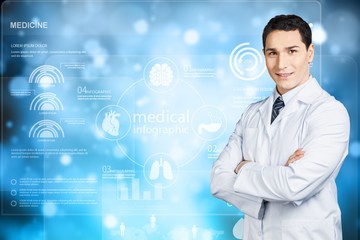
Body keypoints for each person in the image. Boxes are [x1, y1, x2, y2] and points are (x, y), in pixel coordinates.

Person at [210, 14, 350, 240]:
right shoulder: (252, 113)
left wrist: (243, 167)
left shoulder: (329, 112)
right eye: (272, 53)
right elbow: (218, 180)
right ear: (264, 55)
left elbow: (293, 185)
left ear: (310, 53)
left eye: (292, 51)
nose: (281, 64)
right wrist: (277, 178)